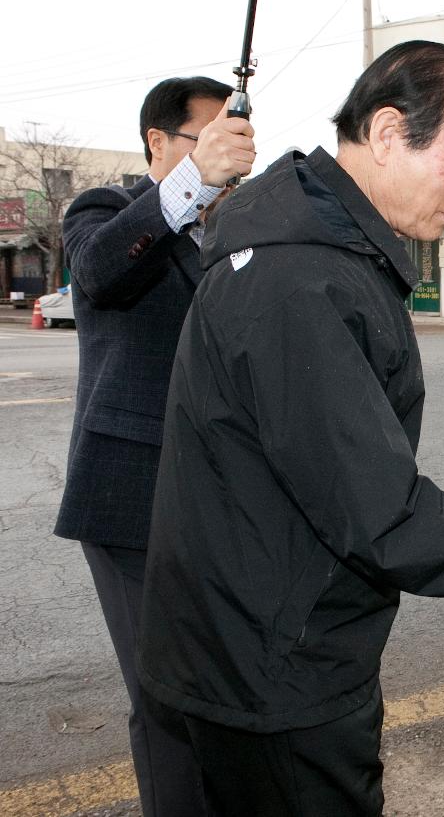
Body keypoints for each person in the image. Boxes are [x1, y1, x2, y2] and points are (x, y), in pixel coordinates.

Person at [135, 41, 444, 816]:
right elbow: (374, 506)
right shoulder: (301, 276)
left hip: (239, 645)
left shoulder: (310, 249)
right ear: (389, 133)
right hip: (272, 672)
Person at [56, 75, 255, 816]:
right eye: (206, 141)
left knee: (220, 686)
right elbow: (103, 272)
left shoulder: (237, 230)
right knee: (166, 697)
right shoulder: (102, 210)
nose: (225, 160)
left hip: (222, 499)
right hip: (130, 497)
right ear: (159, 143)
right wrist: (194, 181)